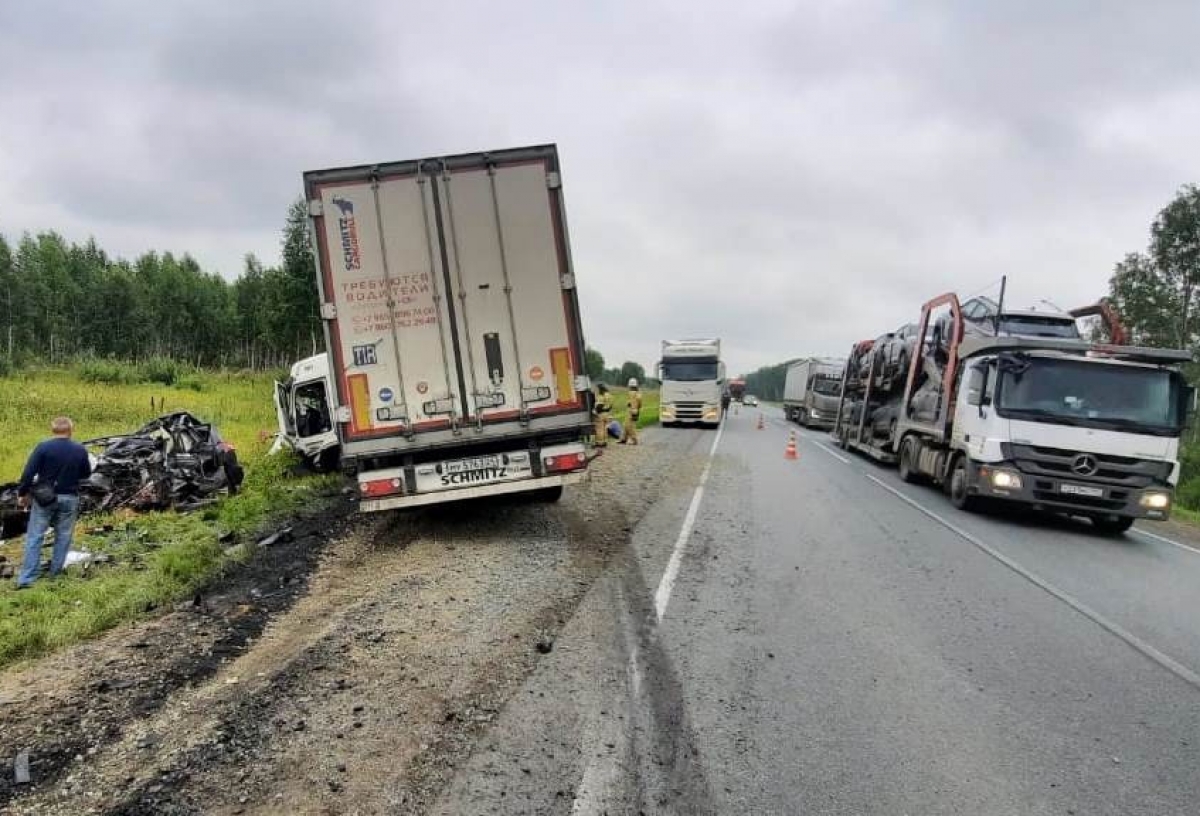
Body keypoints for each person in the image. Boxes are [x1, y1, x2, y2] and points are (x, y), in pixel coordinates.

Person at [15, 416, 92, 589]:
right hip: (70, 497)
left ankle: (27, 578)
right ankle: (55, 574)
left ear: (53, 430)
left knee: (35, 536)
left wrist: (23, 493)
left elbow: (28, 473)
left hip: (45, 498)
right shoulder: (80, 449)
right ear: (70, 430)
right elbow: (86, 474)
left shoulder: (43, 447)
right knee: (63, 536)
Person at [622, 378, 642, 445]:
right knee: (626, 425)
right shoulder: (638, 393)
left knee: (629, 426)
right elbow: (639, 403)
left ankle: (634, 440)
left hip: (631, 411)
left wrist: (630, 405)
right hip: (635, 410)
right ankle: (624, 439)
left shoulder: (631, 393)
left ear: (630, 385)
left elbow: (629, 403)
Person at [592, 383, 613, 448]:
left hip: (601, 414)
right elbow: (610, 406)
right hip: (607, 414)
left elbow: (599, 407)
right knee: (605, 428)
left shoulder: (601, 396)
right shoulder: (609, 395)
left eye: (597, 389)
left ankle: (599, 443)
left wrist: (595, 412)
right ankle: (605, 442)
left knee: (599, 429)